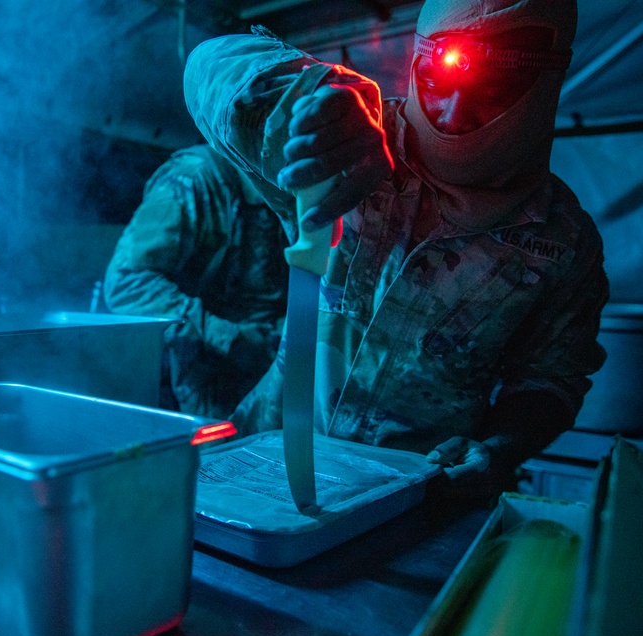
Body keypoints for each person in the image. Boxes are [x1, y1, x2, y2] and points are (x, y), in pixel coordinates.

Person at [183, 0, 609, 496]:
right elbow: (207, 67)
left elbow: (550, 379)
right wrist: (310, 96)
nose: (452, 114)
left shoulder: (562, 241)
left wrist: (498, 448)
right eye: (435, 81)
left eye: (492, 89)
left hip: (413, 497)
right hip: (263, 464)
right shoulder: (349, 142)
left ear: (546, 83)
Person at [104, 143, 289, 420]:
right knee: (220, 458)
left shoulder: (286, 186)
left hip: (270, 368)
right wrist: (229, 338)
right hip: (209, 375)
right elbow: (128, 284)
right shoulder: (193, 179)